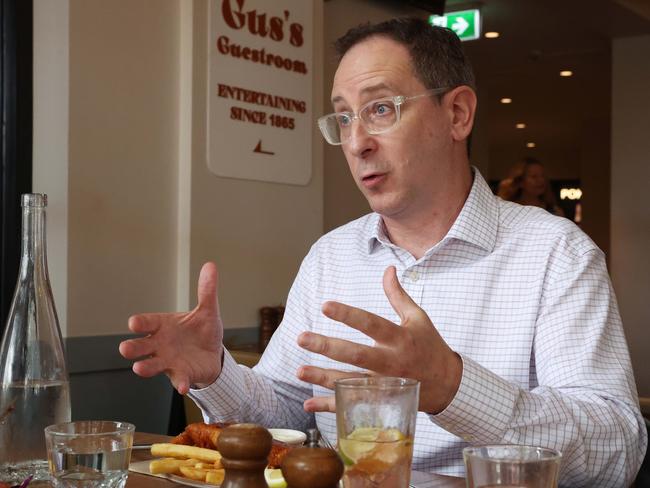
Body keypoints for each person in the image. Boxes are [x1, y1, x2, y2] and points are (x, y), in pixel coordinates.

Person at [119, 18, 646, 486]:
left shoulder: (556, 252)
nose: (356, 142)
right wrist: (216, 372)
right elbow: (288, 413)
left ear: (458, 113)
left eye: (380, 109)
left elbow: (617, 450)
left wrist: (452, 387)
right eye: (344, 118)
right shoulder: (331, 256)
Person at [497, 158, 564, 216]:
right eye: (534, 176)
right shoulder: (510, 209)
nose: (541, 180)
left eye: (543, 176)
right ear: (520, 181)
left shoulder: (555, 211)